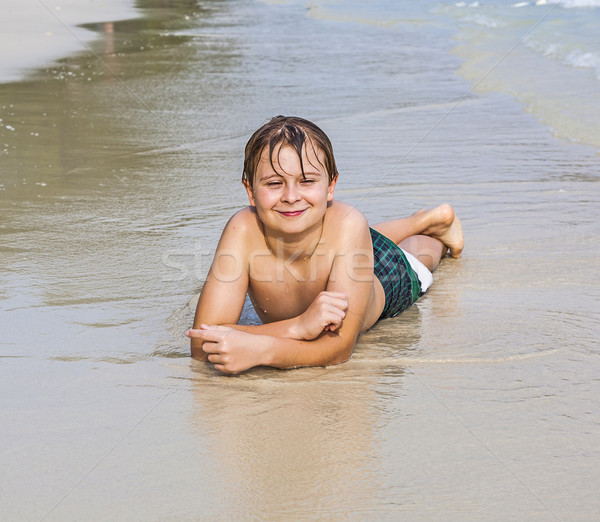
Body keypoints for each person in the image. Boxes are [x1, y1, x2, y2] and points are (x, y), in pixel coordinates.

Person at [186, 116, 463, 374]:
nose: (291, 196)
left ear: (331, 186)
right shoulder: (243, 227)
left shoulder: (348, 224)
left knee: (417, 255)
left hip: (385, 276)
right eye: (274, 183)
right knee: (355, 234)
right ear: (251, 191)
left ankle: (434, 230)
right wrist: (298, 326)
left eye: (306, 181)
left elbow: (338, 348)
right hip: (343, 244)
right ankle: (420, 218)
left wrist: (264, 350)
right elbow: (201, 342)